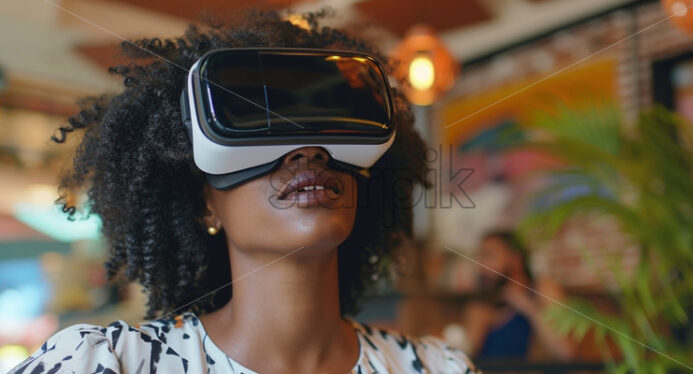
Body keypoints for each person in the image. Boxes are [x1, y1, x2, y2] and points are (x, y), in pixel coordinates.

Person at [10, 9, 481, 374]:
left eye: (325, 131)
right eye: (261, 129)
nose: (307, 152)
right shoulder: (108, 363)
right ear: (204, 202)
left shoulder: (439, 368)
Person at [464, 230, 575, 362]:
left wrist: (527, 307)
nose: (481, 266)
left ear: (515, 258)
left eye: (489, 256)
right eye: (480, 258)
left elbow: (567, 352)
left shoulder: (542, 289)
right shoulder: (481, 306)